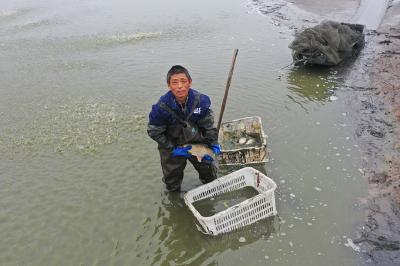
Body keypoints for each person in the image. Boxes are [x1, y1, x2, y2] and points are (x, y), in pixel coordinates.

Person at [147, 65, 221, 192]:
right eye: (175, 82)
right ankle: (175, 199)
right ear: (169, 85)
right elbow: (154, 132)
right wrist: (173, 148)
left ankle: (211, 190)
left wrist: (213, 143)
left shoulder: (201, 101)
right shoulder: (160, 108)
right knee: (172, 181)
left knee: (209, 173)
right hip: (172, 144)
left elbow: (208, 126)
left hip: (197, 141)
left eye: (183, 81)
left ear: (190, 83)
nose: (180, 86)